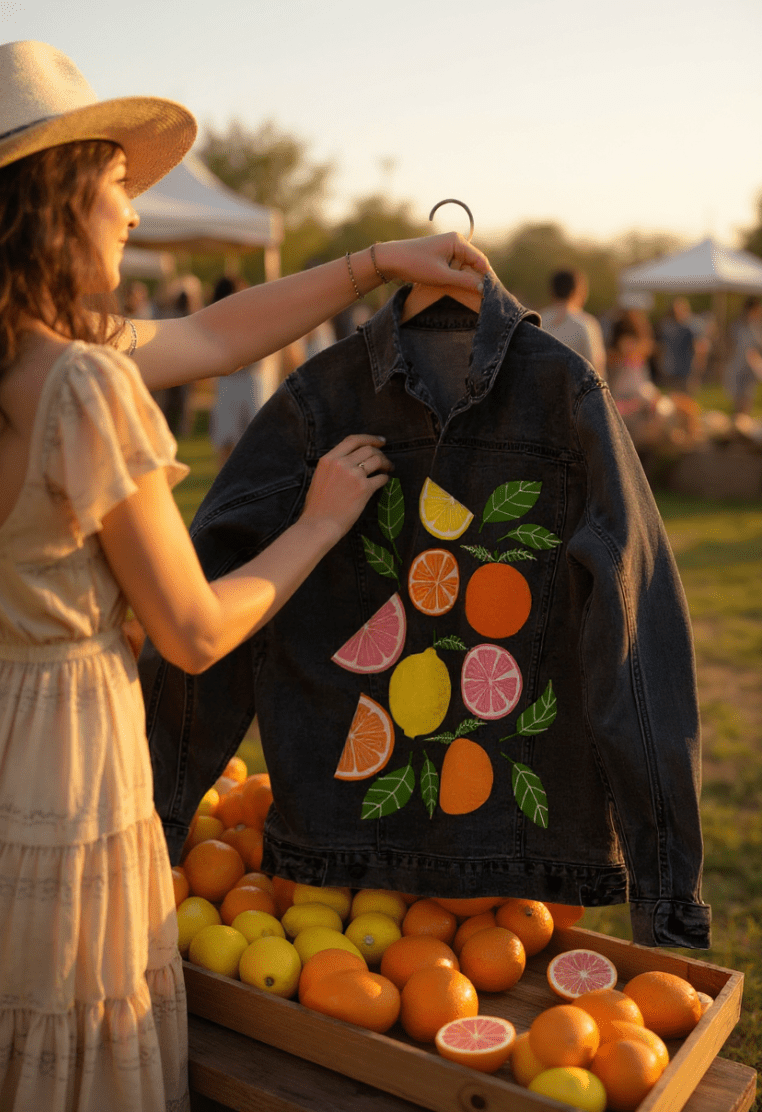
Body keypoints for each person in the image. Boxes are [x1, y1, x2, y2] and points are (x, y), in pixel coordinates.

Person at [0, 39, 488, 1112]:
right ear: (56, 198)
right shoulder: (79, 384)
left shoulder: (29, 359)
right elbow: (189, 629)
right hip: (63, 766)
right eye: (117, 189)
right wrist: (317, 522)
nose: (131, 216)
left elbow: (214, 331)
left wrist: (373, 262)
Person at [208, 275, 266, 469]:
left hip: (237, 383)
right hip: (237, 384)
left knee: (246, 440)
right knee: (233, 442)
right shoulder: (218, 322)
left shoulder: (217, 322)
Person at [539, 268, 607, 379]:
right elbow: (597, 367)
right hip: (575, 392)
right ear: (578, 290)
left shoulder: (538, 320)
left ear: (551, 291)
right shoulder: (586, 324)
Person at [725, 296, 762, 416]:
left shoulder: (756, 326)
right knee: (739, 401)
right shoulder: (738, 326)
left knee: (746, 400)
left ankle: (742, 425)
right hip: (738, 367)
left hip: (750, 370)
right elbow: (730, 346)